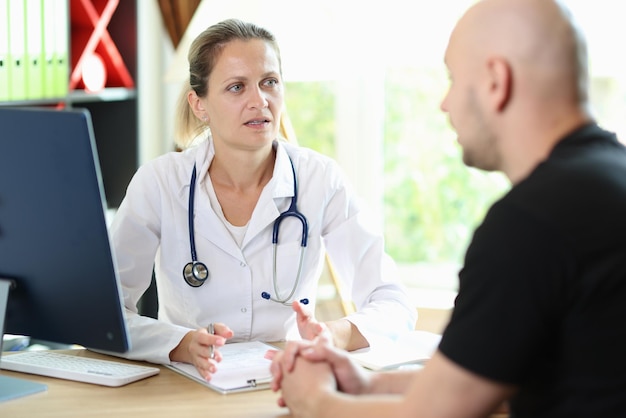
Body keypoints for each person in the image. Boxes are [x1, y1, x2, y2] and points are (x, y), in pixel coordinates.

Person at [268, 0, 626, 417]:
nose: (444, 103)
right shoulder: (605, 184)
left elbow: (435, 413)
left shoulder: (532, 223)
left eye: (454, 79)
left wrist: (313, 400)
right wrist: (366, 382)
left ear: (496, 81)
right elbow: (483, 373)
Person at [107, 18, 416, 379]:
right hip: (188, 387)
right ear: (199, 104)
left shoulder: (320, 179)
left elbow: (394, 303)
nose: (259, 101)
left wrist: (334, 335)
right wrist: (180, 344)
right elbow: (104, 314)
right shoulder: (160, 183)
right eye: (237, 87)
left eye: (269, 82)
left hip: (290, 380)